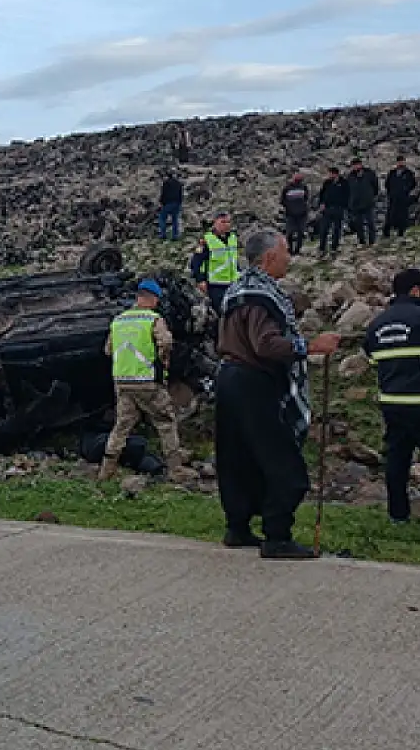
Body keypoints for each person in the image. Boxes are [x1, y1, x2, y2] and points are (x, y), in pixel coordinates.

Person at [214, 229, 340, 559]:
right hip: (253, 381)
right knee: (280, 457)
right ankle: (277, 534)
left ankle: (238, 526)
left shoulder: (236, 289)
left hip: (228, 378)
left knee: (237, 457)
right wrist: (310, 347)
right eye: (285, 251)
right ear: (269, 257)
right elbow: (265, 344)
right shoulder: (261, 295)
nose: (289, 258)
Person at [99, 278, 190, 482]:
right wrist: (163, 361)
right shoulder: (153, 320)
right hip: (147, 381)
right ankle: (176, 469)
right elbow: (166, 342)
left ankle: (106, 470)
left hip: (122, 382)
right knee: (165, 420)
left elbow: (107, 350)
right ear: (151, 298)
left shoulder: (119, 320)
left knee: (121, 426)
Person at [365, 269, 420, 523]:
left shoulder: (378, 324)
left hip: (392, 402)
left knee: (397, 458)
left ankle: (398, 515)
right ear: (415, 290)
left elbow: (371, 357)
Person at [189, 212, 239, 313]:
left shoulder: (233, 238)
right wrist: (200, 280)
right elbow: (196, 262)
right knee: (222, 313)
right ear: (215, 223)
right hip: (216, 284)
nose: (226, 225)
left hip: (233, 283)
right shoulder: (207, 240)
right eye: (223, 222)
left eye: (228, 222)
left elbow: (234, 259)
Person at [346, 157, 380, 246]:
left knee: (371, 223)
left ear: (360, 164)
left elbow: (375, 185)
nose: (355, 167)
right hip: (356, 204)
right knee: (358, 224)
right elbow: (348, 190)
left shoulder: (369, 173)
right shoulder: (350, 176)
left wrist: (372, 196)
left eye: (356, 165)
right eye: (353, 165)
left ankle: (372, 241)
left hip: (368, 202)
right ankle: (362, 241)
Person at [318, 166, 347, 255]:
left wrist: (344, 206)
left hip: (339, 208)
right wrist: (321, 203)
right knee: (324, 229)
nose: (329, 175)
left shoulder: (344, 182)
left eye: (331, 173)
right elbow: (322, 194)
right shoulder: (327, 183)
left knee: (337, 229)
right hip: (327, 209)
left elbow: (347, 194)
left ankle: (335, 247)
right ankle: (322, 248)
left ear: (335, 174)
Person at [385, 157, 416, 238]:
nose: (400, 164)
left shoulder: (409, 173)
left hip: (403, 198)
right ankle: (386, 233)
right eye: (399, 162)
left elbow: (413, 184)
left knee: (403, 216)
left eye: (402, 162)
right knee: (390, 215)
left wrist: (406, 189)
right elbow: (387, 184)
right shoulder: (392, 173)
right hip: (393, 198)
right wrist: (390, 193)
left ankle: (401, 233)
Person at [280, 172, 310, 255]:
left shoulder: (304, 187)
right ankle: (290, 249)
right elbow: (282, 200)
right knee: (289, 232)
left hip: (302, 214)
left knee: (301, 232)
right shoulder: (287, 188)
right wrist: (289, 207)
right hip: (290, 214)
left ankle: (297, 249)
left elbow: (306, 199)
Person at [158, 171, 184, 240]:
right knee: (175, 220)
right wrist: (180, 203)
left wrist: (161, 202)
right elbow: (181, 194)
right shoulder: (179, 183)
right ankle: (175, 236)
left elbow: (163, 194)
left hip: (168, 203)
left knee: (162, 218)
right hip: (177, 203)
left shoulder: (166, 183)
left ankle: (163, 234)